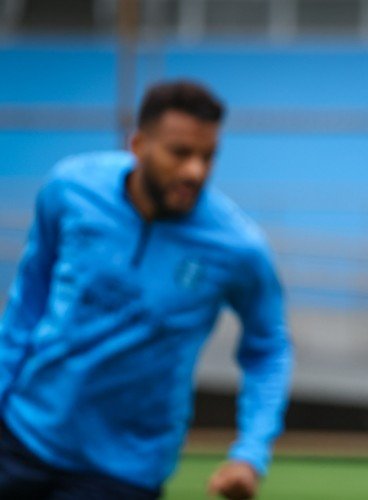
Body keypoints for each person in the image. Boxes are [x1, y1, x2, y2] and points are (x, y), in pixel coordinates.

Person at [0, 81, 292, 499]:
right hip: (22, 433)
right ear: (138, 144)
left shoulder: (239, 248)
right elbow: (29, 296)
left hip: (123, 471)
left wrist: (250, 453)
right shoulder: (70, 189)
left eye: (208, 156)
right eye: (180, 153)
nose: (196, 171)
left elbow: (269, 349)